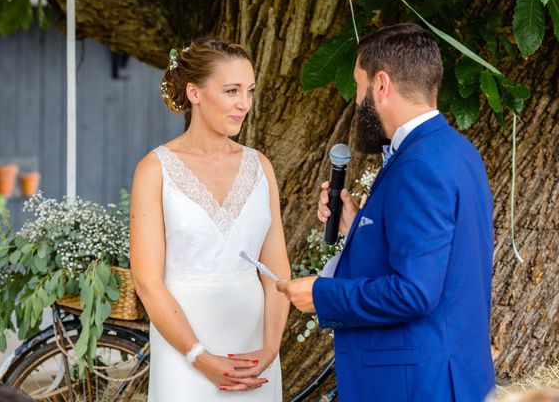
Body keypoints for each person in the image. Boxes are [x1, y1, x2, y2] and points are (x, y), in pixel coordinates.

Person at [277, 23, 495, 401]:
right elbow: (438, 263)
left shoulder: (419, 164)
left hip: (415, 386)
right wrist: (357, 228)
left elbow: (415, 292)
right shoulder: (457, 151)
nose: (356, 99)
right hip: (444, 376)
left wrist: (322, 293)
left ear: (381, 85)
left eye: (359, 87)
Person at [130, 36, 290, 401]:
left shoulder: (260, 167)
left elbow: (277, 272)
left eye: (249, 90)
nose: (244, 104)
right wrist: (198, 357)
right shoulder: (155, 170)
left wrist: (269, 350)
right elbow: (147, 283)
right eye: (231, 90)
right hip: (184, 354)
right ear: (194, 93)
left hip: (255, 355)